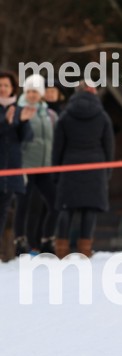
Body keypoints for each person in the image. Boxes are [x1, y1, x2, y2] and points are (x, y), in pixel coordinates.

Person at [52, 82, 114, 258]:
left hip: (70, 166)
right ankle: (85, 250)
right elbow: (109, 147)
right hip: (95, 168)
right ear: (93, 93)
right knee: (90, 209)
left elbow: (58, 148)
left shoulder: (65, 116)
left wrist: (56, 172)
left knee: (66, 208)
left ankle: (61, 250)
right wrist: (107, 172)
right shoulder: (102, 116)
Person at [14, 75, 59, 255]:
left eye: (35, 91)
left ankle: (48, 239)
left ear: (41, 94)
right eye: (29, 91)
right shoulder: (17, 110)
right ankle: (20, 242)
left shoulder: (50, 114)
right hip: (25, 166)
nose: (32, 95)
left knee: (56, 203)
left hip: (45, 166)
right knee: (23, 205)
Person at [0, 70, 33, 257]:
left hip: (11, 169)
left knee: (4, 212)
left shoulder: (20, 109)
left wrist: (22, 122)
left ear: (12, 88)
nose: (3, 89)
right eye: (0, 85)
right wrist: (7, 122)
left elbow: (27, 137)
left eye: (6, 85)